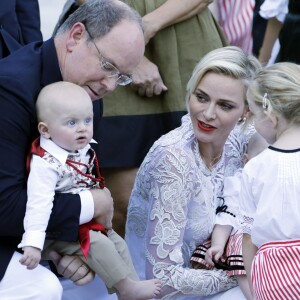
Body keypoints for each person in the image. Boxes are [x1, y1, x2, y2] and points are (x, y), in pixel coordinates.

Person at [0, 0, 145, 299]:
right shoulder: (9, 90)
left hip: (36, 235)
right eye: (108, 66)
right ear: (76, 36)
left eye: (122, 76)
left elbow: (74, 180)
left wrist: (66, 250)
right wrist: (94, 204)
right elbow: (4, 206)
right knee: (43, 288)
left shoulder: (87, 93)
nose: (110, 85)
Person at [54, 0, 229, 238]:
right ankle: (126, 273)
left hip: (185, 37)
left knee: (200, 196)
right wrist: (127, 55)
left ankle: (189, 273)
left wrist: (145, 27)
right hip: (108, 29)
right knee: (123, 202)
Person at [125, 46, 261, 299]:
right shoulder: (173, 158)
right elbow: (161, 277)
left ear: (247, 112)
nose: (208, 114)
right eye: (201, 97)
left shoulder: (240, 138)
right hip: (165, 291)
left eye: (225, 105)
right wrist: (248, 271)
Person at [19, 81, 162, 300]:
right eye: (71, 122)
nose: (82, 128)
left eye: (87, 120)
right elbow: (38, 205)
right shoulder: (45, 164)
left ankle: (134, 291)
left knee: (117, 243)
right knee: (98, 244)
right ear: (45, 130)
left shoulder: (81, 149)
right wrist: (33, 244)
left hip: (84, 224)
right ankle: (125, 288)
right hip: (56, 231)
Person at [240, 62, 300, 299]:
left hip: (273, 277)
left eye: (254, 114)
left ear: (270, 114)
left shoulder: (255, 168)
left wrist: (255, 291)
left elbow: (248, 238)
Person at [190, 133, 269, 300]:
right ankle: (254, 296)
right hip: (244, 234)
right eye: (265, 163)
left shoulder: (283, 181)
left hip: (272, 236)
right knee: (243, 253)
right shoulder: (239, 184)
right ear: (247, 161)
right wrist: (218, 244)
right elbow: (226, 217)